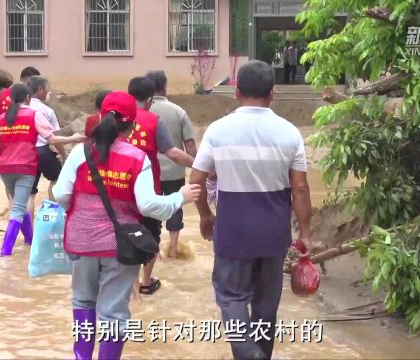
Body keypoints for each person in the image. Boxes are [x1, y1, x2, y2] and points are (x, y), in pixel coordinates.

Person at [53, 92, 201, 360]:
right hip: (118, 247)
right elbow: (147, 206)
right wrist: (180, 197)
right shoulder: (136, 158)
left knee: (83, 302)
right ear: (132, 126)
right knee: (113, 312)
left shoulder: (80, 152)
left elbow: (61, 195)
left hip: (79, 241)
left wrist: (83, 214)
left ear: (100, 118)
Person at [189, 60, 313, 359]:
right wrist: (305, 233)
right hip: (274, 234)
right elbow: (300, 188)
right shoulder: (289, 133)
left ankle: (249, 355)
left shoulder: (218, 130)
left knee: (231, 298)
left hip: (233, 233)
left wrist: (206, 215)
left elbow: (196, 180)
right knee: (266, 305)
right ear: (272, 93)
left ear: (236, 92)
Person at [0, 83, 85, 256]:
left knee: (20, 204)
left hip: (5, 168)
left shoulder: (1, 119)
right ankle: (5, 251)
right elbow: (52, 140)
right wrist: (73, 138)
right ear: (27, 98)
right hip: (25, 167)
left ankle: (30, 241)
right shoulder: (34, 115)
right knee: (18, 209)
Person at [127, 76, 194, 295]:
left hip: (118, 186)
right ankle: (145, 282)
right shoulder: (153, 121)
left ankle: (131, 284)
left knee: (126, 234)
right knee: (149, 235)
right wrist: (199, 165)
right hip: (148, 188)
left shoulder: (116, 118)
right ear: (149, 100)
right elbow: (173, 153)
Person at [146, 70, 198, 259]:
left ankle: (154, 252)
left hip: (149, 172)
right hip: (175, 171)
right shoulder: (178, 112)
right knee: (176, 207)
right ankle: (174, 250)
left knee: (152, 210)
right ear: (165, 86)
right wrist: (197, 166)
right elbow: (189, 143)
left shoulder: (143, 113)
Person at [0, 66, 42, 222]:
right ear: (28, 80)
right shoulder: (29, 101)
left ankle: (20, 227)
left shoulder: (2, 95)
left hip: (5, 151)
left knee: (13, 196)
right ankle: (21, 235)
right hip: (26, 153)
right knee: (27, 196)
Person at [27, 75, 67, 205]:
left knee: (30, 193)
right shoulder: (47, 110)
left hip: (26, 153)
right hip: (42, 152)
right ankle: (53, 214)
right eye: (46, 89)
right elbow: (55, 138)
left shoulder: (19, 110)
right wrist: (64, 155)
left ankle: (28, 225)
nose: (47, 92)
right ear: (39, 90)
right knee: (56, 179)